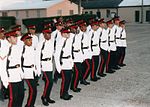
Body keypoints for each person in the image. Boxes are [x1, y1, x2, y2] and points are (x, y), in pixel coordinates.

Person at [4, 30, 24, 107]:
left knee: (21, 95)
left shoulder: (18, 47)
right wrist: (5, 79)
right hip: (11, 76)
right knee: (13, 98)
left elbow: (23, 41)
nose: (16, 39)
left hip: (19, 74)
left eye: (16, 37)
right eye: (14, 37)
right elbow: (3, 66)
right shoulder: (5, 49)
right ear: (8, 39)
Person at [36, 28, 55, 106]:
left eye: (50, 33)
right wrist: (38, 68)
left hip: (49, 63)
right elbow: (37, 56)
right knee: (49, 81)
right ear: (44, 35)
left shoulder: (51, 42)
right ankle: (43, 97)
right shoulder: (40, 44)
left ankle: (47, 96)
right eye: (47, 34)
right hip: (43, 64)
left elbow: (53, 53)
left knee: (50, 82)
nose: (49, 35)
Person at [54, 28, 74, 100]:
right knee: (65, 79)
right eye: (66, 33)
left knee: (69, 78)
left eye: (68, 33)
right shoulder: (60, 42)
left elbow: (70, 52)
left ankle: (66, 92)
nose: (68, 34)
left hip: (68, 62)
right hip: (63, 63)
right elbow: (56, 55)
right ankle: (62, 94)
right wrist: (58, 68)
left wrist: (72, 62)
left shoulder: (68, 41)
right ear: (62, 34)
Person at [21, 33, 38, 107]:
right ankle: (29, 105)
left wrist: (37, 69)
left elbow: (35, 60)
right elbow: (20, 62)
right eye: (28, 40)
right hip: (27, 72)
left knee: (34, 90)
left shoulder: (32, 48)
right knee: (33, 89)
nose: (31, 41)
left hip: (33, 70)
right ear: (24, 41)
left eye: (31, 39)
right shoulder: (22, 50)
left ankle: (31, 104)